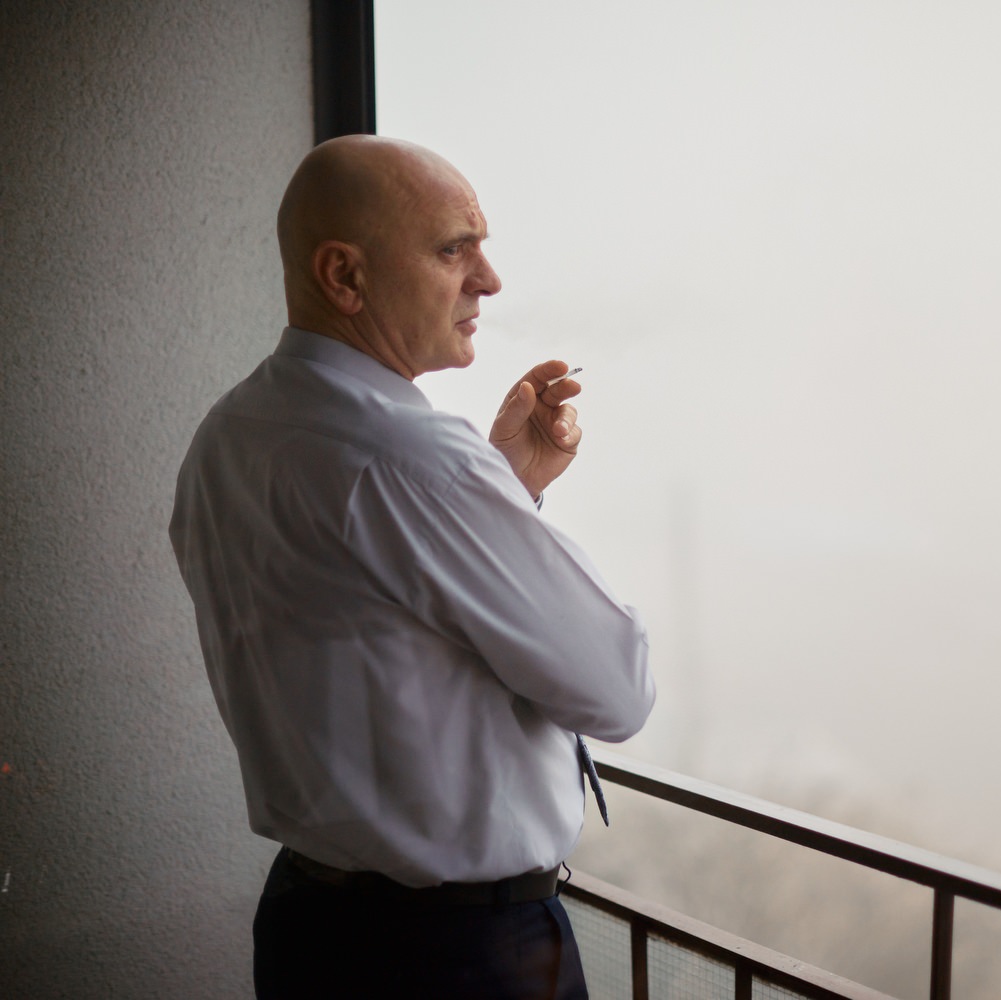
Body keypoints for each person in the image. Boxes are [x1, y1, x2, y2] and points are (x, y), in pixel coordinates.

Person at [169, 134, 655, 999]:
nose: (488, 280)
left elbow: (369, 634)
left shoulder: (230, 434)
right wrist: (489, 498)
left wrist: (505, 492)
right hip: (458, 957)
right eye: (452, 249)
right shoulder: (412, 457)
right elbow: (618, 690)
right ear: (344, 276)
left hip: (310, 931)